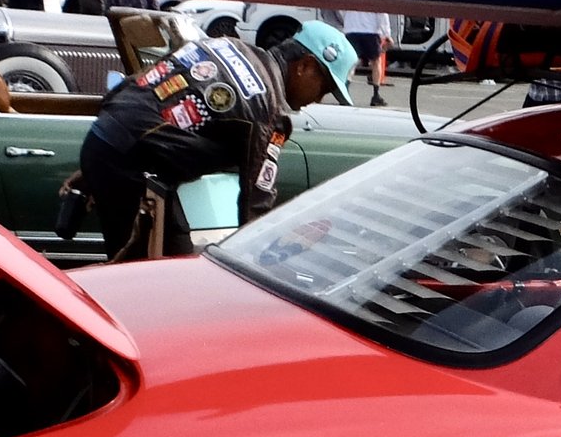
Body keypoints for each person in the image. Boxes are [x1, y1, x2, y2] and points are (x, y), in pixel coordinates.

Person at [77, 20, 356, 259]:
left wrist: (99, 156)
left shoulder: (223, 45)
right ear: (305, 66)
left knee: (174, 262)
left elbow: (140, 88)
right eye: (325, 88)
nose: (318, 99)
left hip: (114, 147)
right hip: (127, 167)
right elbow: (255, 201)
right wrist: (259, 258)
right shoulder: (268, 110)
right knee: (136, 275)